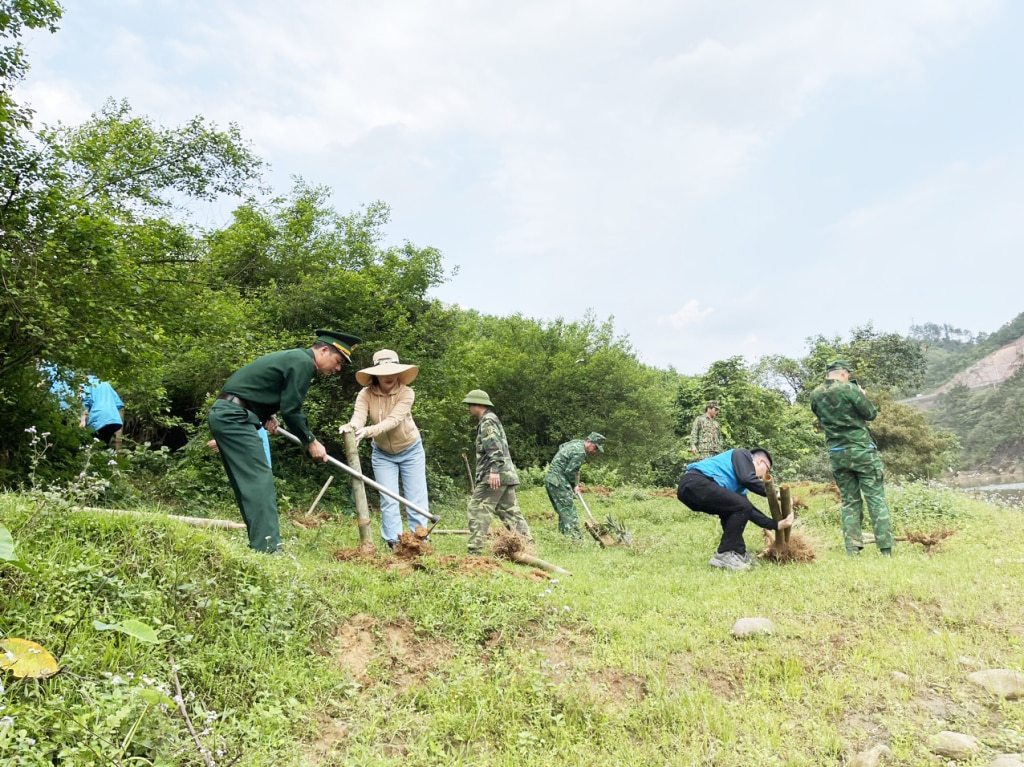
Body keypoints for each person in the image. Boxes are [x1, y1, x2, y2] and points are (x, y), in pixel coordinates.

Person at [208, 329, 361, 553]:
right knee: (259, 482)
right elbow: (291, 410)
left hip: (231, 413)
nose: (337, 369)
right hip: (234, 417)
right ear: (324, 350)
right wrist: (310, 441)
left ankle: (260, 545)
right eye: (338, 362)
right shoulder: (303, 362)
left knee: (249, 484)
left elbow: (256, 390)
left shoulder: (293, 358)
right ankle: (269, 549)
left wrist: (265, 416)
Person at [341, 349, 429, 551]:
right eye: (384, 372)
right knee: (388, 498)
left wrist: (368, 430)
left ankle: (420, 541)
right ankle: (394, 543)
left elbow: (394, 420)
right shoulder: (365, 394)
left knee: (415, 497)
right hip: (382, 454)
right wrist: (352, 427)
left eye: (392, 371)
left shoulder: (407, 392)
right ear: (375, 375)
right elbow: (358, 417)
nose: (389, 376)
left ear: (398, 372)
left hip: (411, 449)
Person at [809, 360, 894, 556]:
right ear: (844, 374)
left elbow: (821, 417)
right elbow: (870, 414)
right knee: (875, 499)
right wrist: (862, 395)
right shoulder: (849, 389)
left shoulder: (815, 394)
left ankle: (852, 550)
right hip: (862, 450)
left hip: (838, 453)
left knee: (849, 501)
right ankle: (886, 549)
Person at [676, 447, 794, 571]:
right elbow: (747, 479)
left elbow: (750, 511)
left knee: (735, 509)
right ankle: (724, 554)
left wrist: (776, 524)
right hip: (695, 482)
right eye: (767, 470)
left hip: (693, 491)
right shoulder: (742, 454)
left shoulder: (738, 484)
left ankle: (739, 553)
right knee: (742, 506)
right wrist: (774, 493)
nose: (764, 476)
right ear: (760, 462)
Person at [463, 389, 532, 555]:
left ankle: (475, 550)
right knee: (510, 512)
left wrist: (494, 471)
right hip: (505, 475)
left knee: (478, 508)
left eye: (469, 405)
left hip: (493, 476)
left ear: (477, 405)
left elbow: (494, 447)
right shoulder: (492, 420)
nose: (468, 409)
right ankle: (527, 545)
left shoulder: (487, 422)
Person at [544, 432, 606, 537]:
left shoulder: (576, 443)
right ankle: (575, 538)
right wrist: (574, 485)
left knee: (563, 509)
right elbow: (570, 472)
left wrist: (575, 483)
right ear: (588, 442)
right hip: (558, 481)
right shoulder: (580, 453)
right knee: (569, 511)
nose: (595, 451)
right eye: (595, 447)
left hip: (551, 479)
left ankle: (565, 536)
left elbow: (562, 447)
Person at [80, 376, 124, 450]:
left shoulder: (87, 385)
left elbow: (86, 402)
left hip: (98, 419)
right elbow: (119, 404)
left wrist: (82, 420)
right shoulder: (106, 384)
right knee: (103, 446)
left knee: (91, 446)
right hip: (113, 420)